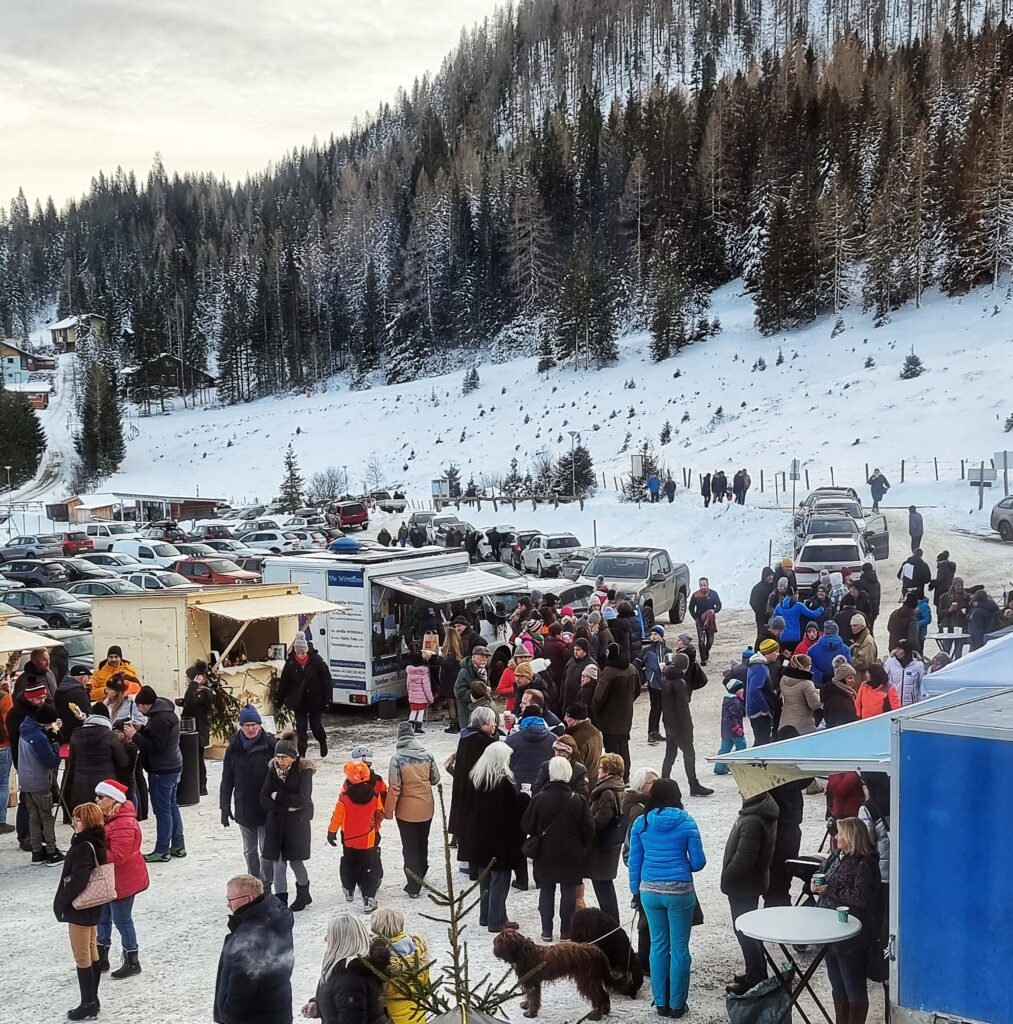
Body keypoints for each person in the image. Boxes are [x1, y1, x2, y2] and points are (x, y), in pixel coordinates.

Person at [627, 777, 705, 1017]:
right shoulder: (687, 821)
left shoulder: (642, 823)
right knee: (680, 947)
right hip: (680, 891)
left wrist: (635, 891)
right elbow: (699, 861)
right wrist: (682, 865)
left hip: (650, 891)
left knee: (658, 946)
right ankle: (677, 1004)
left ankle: (661, 1002)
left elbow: (634, 861)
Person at [812, 818, 881, 1024]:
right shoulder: (836, 855)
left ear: (851, 838)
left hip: (851, 936)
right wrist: (815, 882)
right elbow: (821, 871)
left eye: (840, 834)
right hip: (828, 930)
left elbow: (862, 897)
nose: (836, 837)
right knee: (837, 985)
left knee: (854, 988)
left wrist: (831, 891)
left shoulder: (866, 862)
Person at [521, 756, 594, 941]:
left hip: (545, 853)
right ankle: (566, 931)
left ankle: (546, 930)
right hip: (571, 853)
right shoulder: (578, 800)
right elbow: (589, 829)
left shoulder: (538, 799)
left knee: (546, 891)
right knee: (569, 892)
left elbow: (527, 825)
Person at [214, 874, 295, 1024]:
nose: (228, 905)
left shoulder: (251, 937)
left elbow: (241, 989)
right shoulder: (275, 916)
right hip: (278, 1010)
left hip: (256, 1016)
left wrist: (228, 1016)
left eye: (230, 900)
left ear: (248, 899)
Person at [721, 792, 779, 995]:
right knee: (749, 930)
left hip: (743, 885)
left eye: (743, 789)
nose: (739, 792)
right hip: (752, 883)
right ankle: (755, 971)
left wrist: (727, 875)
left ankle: (755, 977)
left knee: (745, 931)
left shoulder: (753, 820)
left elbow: (744, 859)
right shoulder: (760, 813)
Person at [54, 802, 108, 1021]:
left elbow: (79, 879)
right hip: (93, 905)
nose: (73, 822)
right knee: (91, 948)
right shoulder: (95, 841)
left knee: (82, 954)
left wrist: (63, 901)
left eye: (78, 819)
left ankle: (88, 1003)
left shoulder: (84, 845)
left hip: (81, 906)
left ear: (88, 821)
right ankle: (93, 999)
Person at [94, 778, 148, 979]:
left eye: (101, 797)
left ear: (113, 799)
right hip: (111, 878)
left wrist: (94, 852)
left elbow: (117, 856)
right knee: (103, 917)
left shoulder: (123, 823)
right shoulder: (109, 818)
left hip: (124, 879)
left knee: (122, 919)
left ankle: (132, 959)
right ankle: (101, 957)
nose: (97, 801)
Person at [467, 741, 524, 931]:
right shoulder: (503, 784)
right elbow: (512, 814)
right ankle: (497, 919)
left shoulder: (478, 780)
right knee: (500, 881)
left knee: (485, 879)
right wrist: (524, 799)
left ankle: (486, 916)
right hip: (500, 842)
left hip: (481, 841)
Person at [221, 705, 278, 891]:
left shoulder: (271, 745)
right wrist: (224, 806)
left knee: (266, 850)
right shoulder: (234, 748)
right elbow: (227, 779)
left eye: (254, 724)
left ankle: (266, 883)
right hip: (244, 806)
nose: (251, 728)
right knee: (249, 850)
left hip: (265, 807)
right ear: (241, 726)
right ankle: (254, 882)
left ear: (260, 725)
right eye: (247, 725)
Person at [124, 686, 184, 862]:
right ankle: (178, 845)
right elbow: (157, 737)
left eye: (140, 706)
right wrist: (142, 728)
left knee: (163, 810)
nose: (138, 709)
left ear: (147, 705)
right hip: (173, 767)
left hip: (162, 770)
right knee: (172, 806)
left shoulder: (159, 719)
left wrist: (134, 735)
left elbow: (156, 746)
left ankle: (162, 849)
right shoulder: (165, 713)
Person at [301, 913, 390, 1024]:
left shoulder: (349, 978)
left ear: (342, 940)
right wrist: (319, 1006)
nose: (325, 939)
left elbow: (352, 1015)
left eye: (330, 934)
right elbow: (343, 1001)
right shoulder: (351, 967)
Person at [384, 722, 439, 898]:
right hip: (426, 807)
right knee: (423, 841)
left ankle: (414, 884)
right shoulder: (428, 755)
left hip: (406, 811)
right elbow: (435, 779)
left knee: (409, 846)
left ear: (399, 737)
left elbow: (394, 788)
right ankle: (422, 870)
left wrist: (388, 811)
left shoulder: (397, 759)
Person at [263, 731, 316, 911]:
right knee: (278, 864)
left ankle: (303, 893)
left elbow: (302, 799)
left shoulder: (303, 771)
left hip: (296, 826)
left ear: (293, 758)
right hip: (276, 824)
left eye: (284, 757)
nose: (280, 760)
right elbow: (264, 798)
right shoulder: (272, 770)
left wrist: (278, 796)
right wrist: (285, 806)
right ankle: (281, 900)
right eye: (277, 757)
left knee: (296, 862)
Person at [328, 760, 383, 913]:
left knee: (348, 863)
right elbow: (379, 814)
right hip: (367, 838)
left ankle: (348, 888)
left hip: (349, 838)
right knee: (368, 867)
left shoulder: (344, 797)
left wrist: (331, 832)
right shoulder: (374, 796)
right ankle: (368, 899)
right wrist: (375, 828)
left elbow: (337, 816)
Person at [763, 727, 809, 908]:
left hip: (778, 827)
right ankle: (778, 905)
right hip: (786, 827)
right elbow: (806, 780)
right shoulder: (788, 764)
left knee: (777, 874)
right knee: (781, 874)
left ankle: (777, 902)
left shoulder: (772, 762)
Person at [447, 706, 498, 861]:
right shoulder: (482, 742)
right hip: (475, 791)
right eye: (492, 722)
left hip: (463, 788)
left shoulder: (466, 737)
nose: (494, 725)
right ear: (482, 724)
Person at [659, 655, 712, 796]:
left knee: (670, 754)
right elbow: (682, 708)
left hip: (668, 722)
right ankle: (693, 785)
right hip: (679, 725)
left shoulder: (665, 677)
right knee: (689, 753)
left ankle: (663, 783)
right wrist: (688, 726)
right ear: (685, 666)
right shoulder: (679, 682)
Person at [585, 752, 627, 924]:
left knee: (603, 885)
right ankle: (611, 922)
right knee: (603, 884)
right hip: (608, 846)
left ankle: (611, 923)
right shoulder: (616, 787)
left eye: (600, 767)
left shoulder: (607, 792)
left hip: (601, 847)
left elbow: (601, 821)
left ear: (608, 770)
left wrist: (586, 820)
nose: (597, 770)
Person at [18, 701, 63, 864]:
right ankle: (52, 853)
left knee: (33, 818)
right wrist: (55, 741)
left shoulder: (26, 727)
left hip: (25, 781)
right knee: (46, 818)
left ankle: (37, 852)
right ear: (46, 722)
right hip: (39, 782)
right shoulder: (39, 738)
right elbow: (51, 761)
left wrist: (47, 730)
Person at [591, 642, 641, 781]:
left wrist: (595, 711)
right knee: (624, 747)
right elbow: (637, 690)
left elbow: (599, 697)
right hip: (626, 716)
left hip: (610, 719)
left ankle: (614, 777)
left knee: (612, 750)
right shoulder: (631, 668)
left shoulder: (609, 671)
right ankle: (625, 776)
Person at [371, 908, 429, 1024]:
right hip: (418, 1013)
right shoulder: (418, 949)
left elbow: (382, 992)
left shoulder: (382, 959)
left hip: (396, 1018)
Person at [277, 634, 331, 758]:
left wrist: (327, 700)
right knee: (301, 728)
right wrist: (279, 702)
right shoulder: (291, 663)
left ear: (306, 651)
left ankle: (322, 741)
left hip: (315, 700)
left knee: (315, 726)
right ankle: (302, 754)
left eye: (303, 653)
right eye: (299, 653)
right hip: (299, 701)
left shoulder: (316, 661)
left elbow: (326, 680)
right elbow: (284, 683)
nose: (301, 655)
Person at [69, 702, 131, 810]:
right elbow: (123, 761)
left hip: (81, 786)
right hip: (105, 789)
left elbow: (71, 762)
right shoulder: (110, 735)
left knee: (85, 821)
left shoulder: (76, 734)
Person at [177, 661, 213, 795]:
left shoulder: (205, 692)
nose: (187, 680)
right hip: (192, 728)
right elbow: (190, 702)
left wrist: (193, 685)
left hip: (199, 730)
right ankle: (196, 784)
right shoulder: (195, 689)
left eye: (188, 678)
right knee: (193, 758)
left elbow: (192, 702)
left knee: (198, 759)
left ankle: (202, 785)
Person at [745, 640, 780, 745]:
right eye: (776, 651)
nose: (778, 654)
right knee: (762, 743)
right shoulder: (759, 668)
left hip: (756, 711)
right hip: (759, 713)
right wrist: (765, 709)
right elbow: (754, 690)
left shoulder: (760, 664)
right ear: (768, 652)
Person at [778, 653, 821, 735]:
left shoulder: (784, 679)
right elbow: (814, 705)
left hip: (785, 721)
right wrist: (819, 695)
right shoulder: (807, 684)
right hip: (803, 724)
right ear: (805, 666)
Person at [454, 644, 492, 735]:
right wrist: (477, 692)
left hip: (481, 710)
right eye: (482, 657)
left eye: (486, 658)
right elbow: (459, 692)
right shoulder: (465, 672)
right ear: (473, 657)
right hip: (468, 711)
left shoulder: (483, 671)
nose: (484, 660)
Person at [714, 678, 746, 775]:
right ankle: (734, 765)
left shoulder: (728, 700)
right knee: (742, 747)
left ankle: (719, 767)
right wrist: (737, 729)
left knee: (725, 749)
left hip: (725, 730)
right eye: (741, 690)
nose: (743, 691)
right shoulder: (735, 702)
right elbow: (731, 717)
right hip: (734, 731)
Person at [642, 625, 667, 745]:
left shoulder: (667, 650)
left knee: (661, 708)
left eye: (655, 634)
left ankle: (656, 731)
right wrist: (646, 677)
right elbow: (637, 663)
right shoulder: (647, 650)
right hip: (653, 683)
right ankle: (651, 733)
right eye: (651, 634)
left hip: (664, 682)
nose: (653, 636)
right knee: (655, 708)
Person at [564, 702, 603, 780]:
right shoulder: (595, 731)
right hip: (594, 777)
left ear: (577, 720)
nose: (565, 719)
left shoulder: (576, 739)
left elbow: (576, 768)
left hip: (583, 783)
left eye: (569, 718)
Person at [55, 665, 93, 744]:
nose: (89, 681)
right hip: (78, 735)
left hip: (64, 731)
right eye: (88, 678)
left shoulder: (60, 689)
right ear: (83, 678)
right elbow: (86, 713)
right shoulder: (79, 693)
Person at [688, 578, 721, 665]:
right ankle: (703, 659)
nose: (703, 587)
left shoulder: (713, 594)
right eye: (701, 585)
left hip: (710, 620)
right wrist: (696, 618)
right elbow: (691, 607)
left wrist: (714, 611)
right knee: (701, 639)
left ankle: (706, 651)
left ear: (708, 584)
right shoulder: (695, 595)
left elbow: (719, 605)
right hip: (699, 620)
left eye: (704, 585)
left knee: (710, 640)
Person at [883, 642, 925, 706]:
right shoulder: (890, 663)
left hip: (911, 705)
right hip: (893, 703)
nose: (897, 651)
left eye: (900, 649)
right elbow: (883, 680)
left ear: (907, 651)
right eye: (896, 648)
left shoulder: (918, 665)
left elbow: (922, 685)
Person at [822, 660, 860, 728]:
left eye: (854, 677)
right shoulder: (836, 699)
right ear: (841, 679)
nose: (853, 681)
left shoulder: (847, 692)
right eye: (850, 678)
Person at [749, 568, 776, 648]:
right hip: (762, 618)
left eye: (772, 575)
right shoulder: (757, 588)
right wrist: (762, 612)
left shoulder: (775, 587)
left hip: (774, 617)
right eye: (768, 576)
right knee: (762, 637)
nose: (770, 577)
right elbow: (753, 602)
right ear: (764, 577)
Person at [849, 615, 878, 680]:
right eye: (852, 626)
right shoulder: (858, 638)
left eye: (855, 625)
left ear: (862, 626)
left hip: (863, 678)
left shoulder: (867, 641)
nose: (853, 628)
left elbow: (865, 662)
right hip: (859, 677)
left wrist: (849, 660)